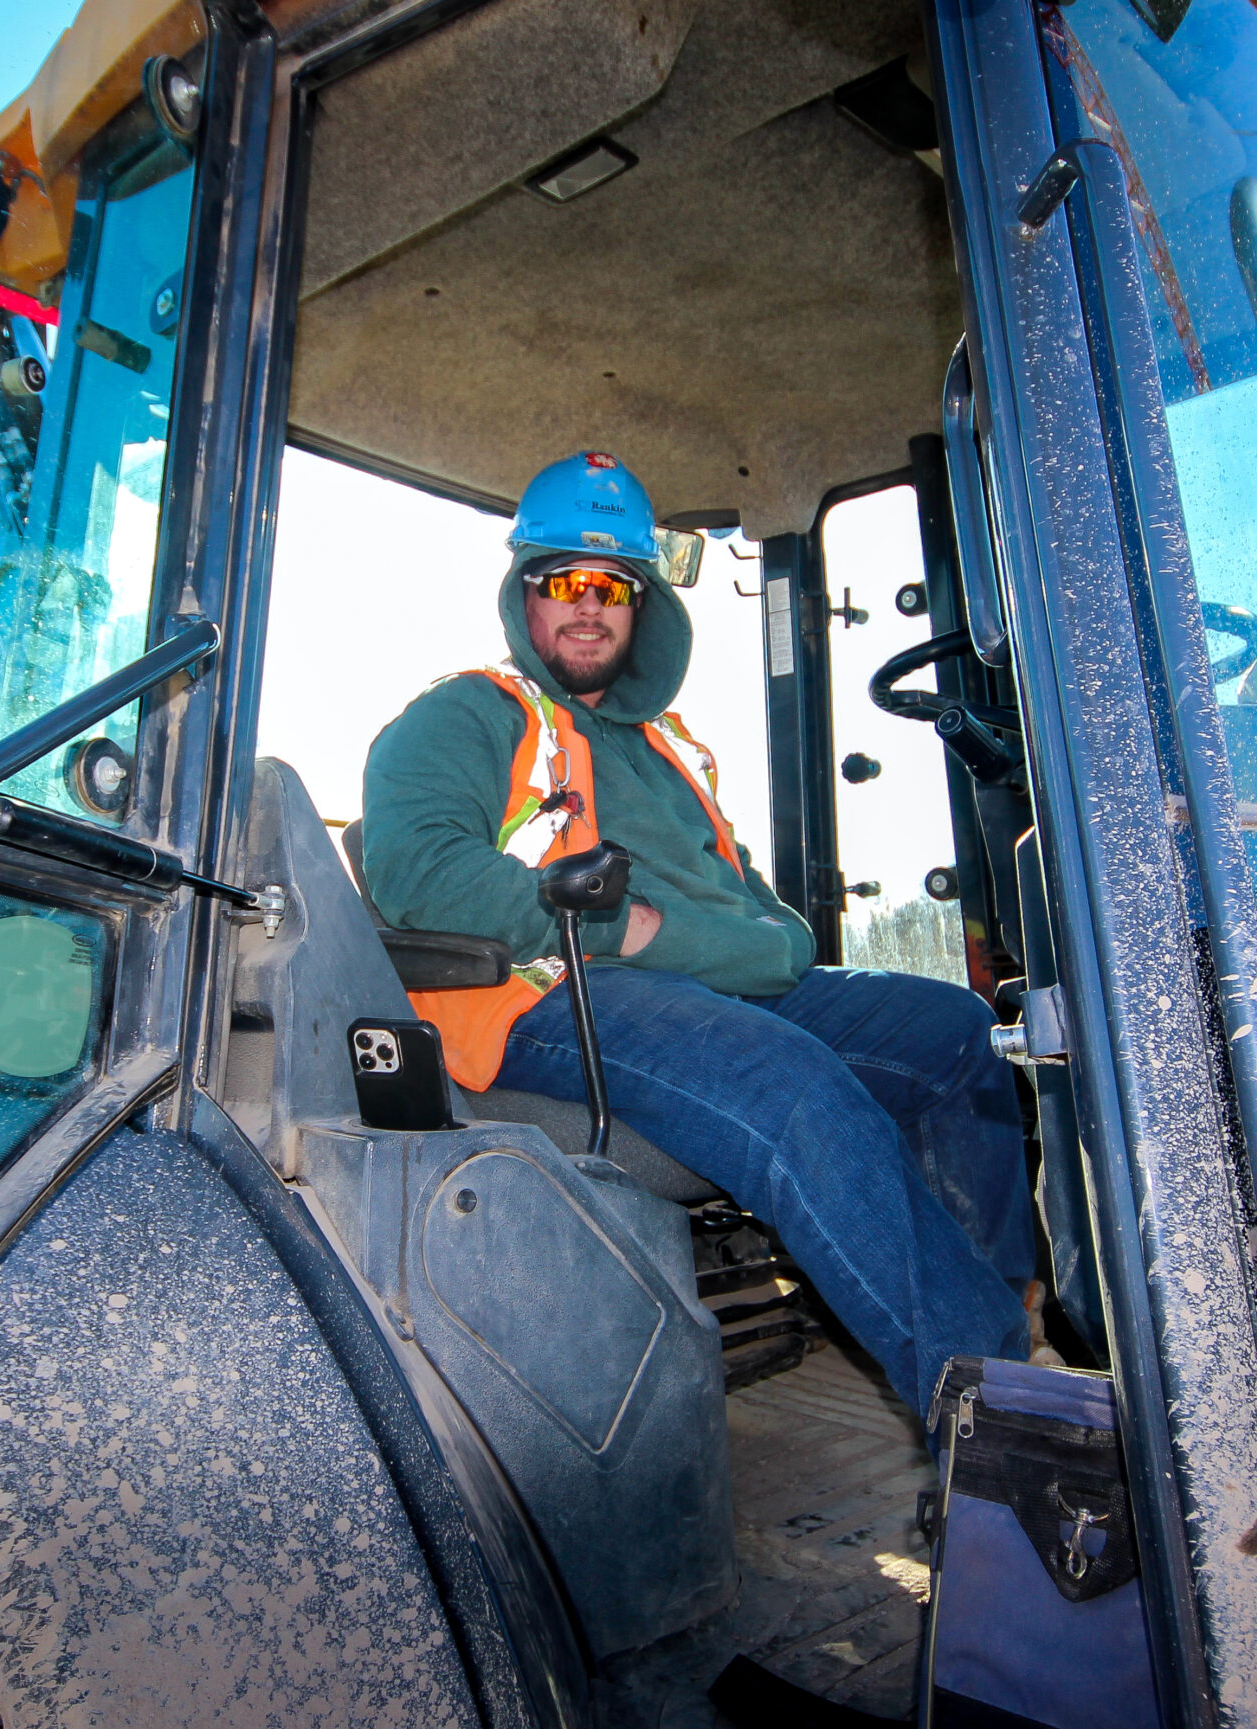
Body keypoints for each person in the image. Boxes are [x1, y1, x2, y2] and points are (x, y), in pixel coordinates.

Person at [360, 450, 1042, 1418]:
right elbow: (413, 867)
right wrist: (603, 922)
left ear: (640, 603)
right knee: (793, 1085)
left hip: (731, 987)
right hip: (558, 996)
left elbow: (739, 897)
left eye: (608, 585)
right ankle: (1003, 1421)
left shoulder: (671, 746)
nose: (585, 605)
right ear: (525, 595)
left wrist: (777, 939)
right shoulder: (472, 712)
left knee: (955, 1036)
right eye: (562, 582)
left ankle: (1003, 1319)